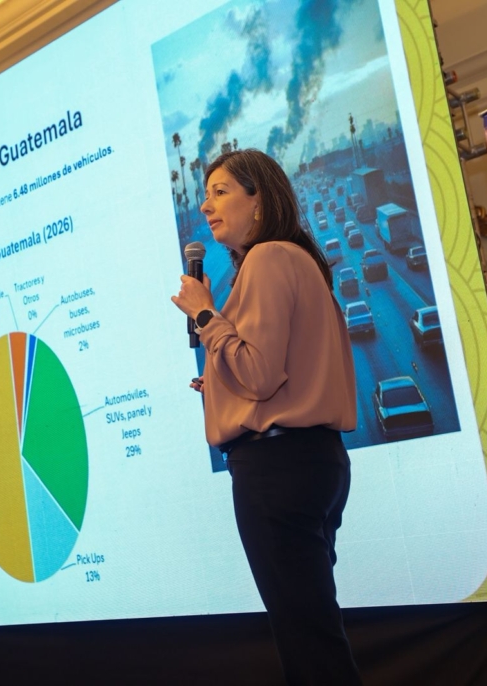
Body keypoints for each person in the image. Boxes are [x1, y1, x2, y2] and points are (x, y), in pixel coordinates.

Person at [171, 149, 361, 685]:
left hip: (278, 468)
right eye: (205, 195)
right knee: (314, 636)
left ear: (260, 200)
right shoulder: (297, 260)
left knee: (311, 651)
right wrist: (218, 382)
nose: (206, 206)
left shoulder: (269, 258)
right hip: (313, 462)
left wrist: (204, 313)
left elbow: (258, 374)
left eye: (221, 192)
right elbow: (282, 370)